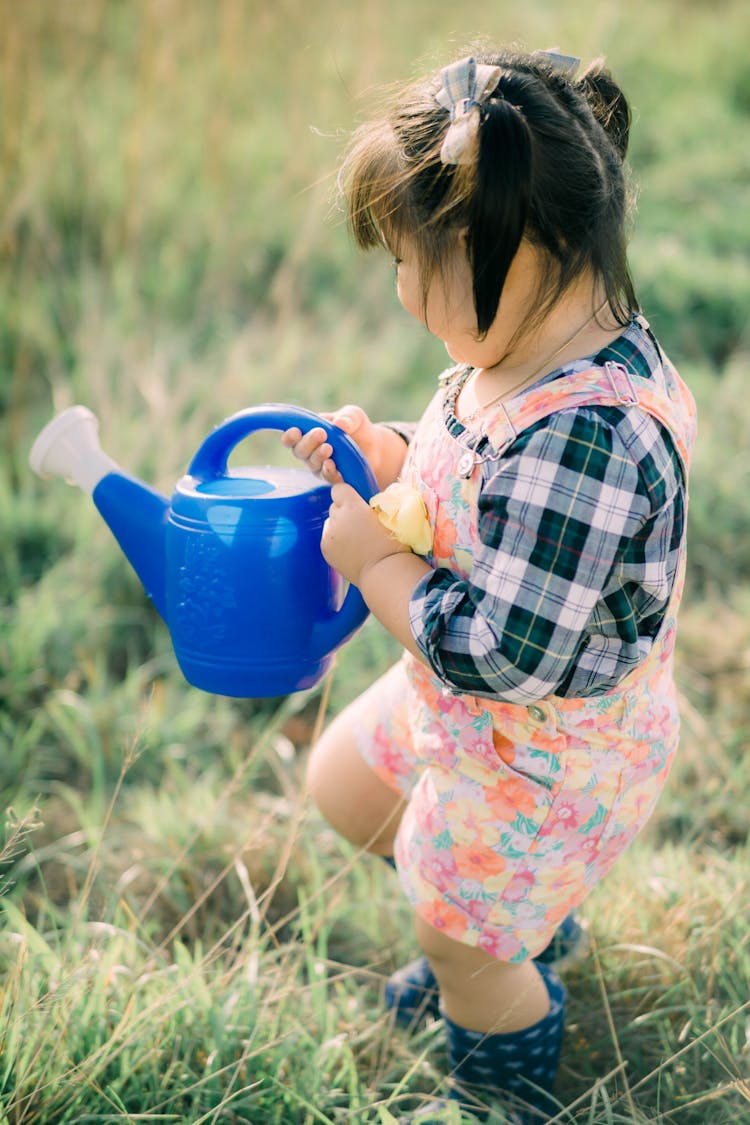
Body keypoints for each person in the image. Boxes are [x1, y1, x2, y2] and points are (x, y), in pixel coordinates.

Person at [282, 46, 696, 1123]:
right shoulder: (524, 344)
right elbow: (487, 489)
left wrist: (376, 561)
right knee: (341, 784)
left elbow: (508, 653)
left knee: (452, 935)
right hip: (470, 713)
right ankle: (508, 922)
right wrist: (400, 461)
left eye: (415, 263)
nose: (403, 290)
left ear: (507, 250)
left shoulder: (596, 433)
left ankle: (500, 1030)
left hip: (547, 752)